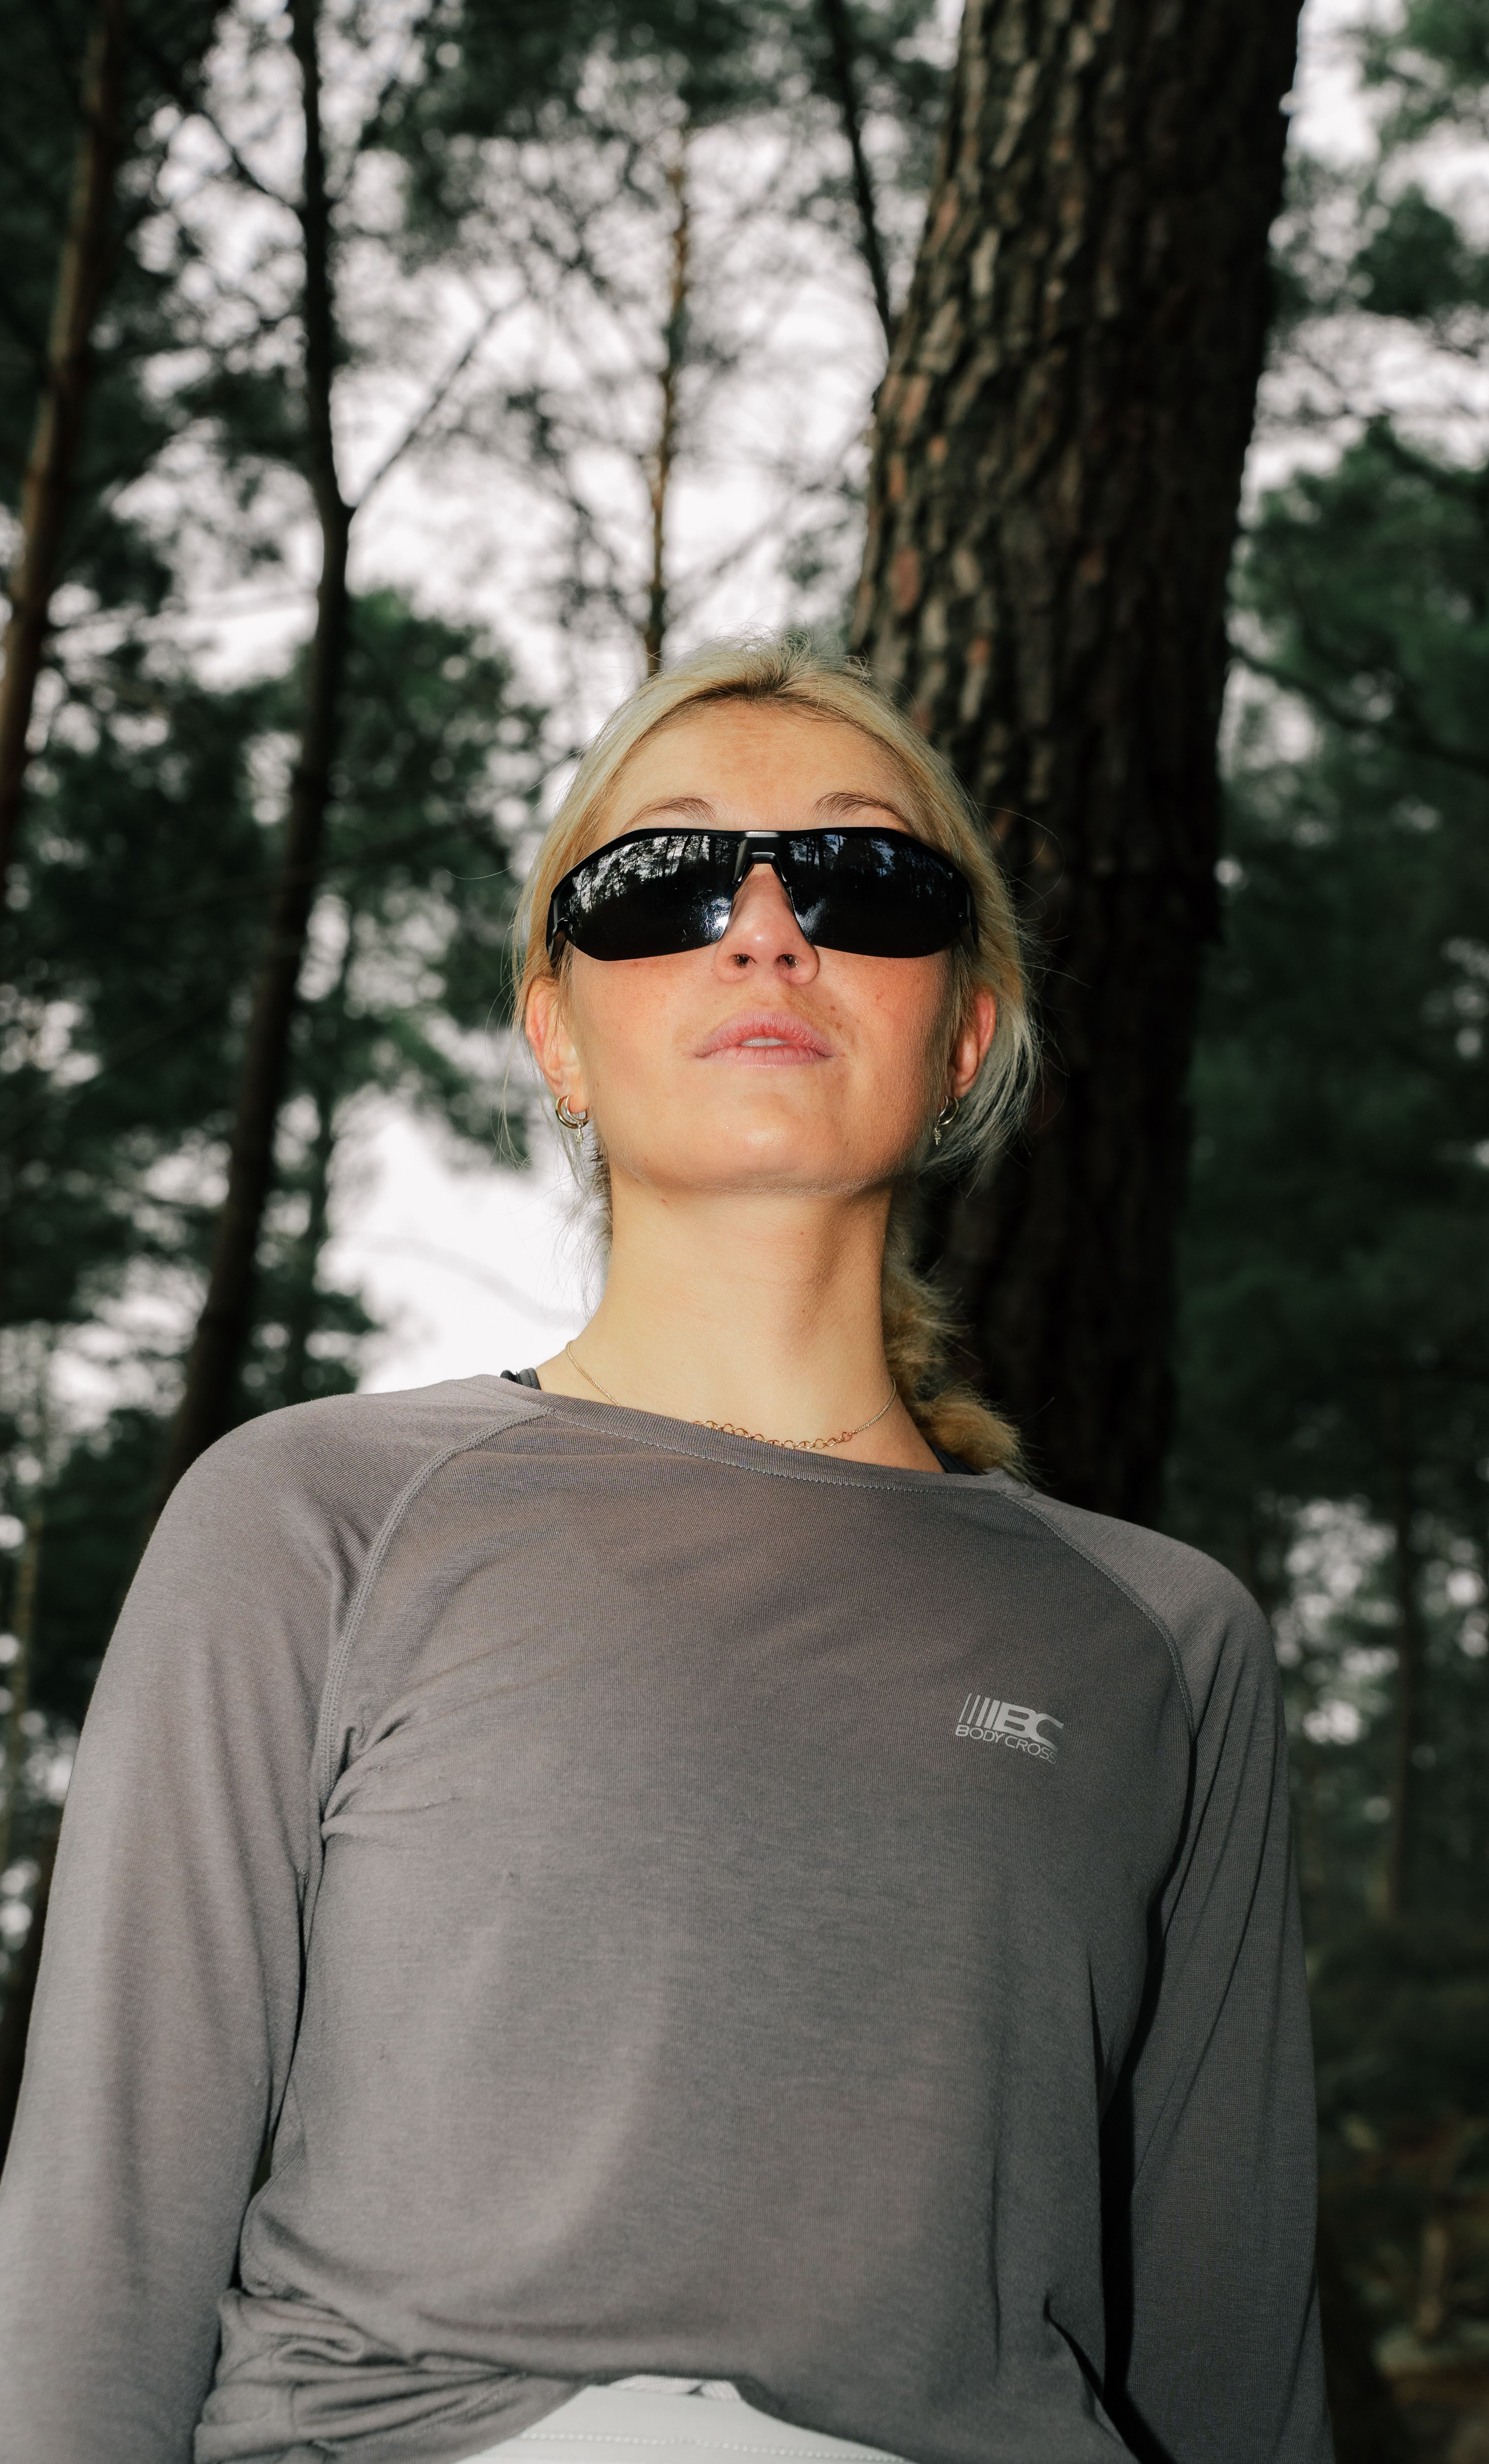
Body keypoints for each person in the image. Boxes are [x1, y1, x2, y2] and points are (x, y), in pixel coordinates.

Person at [0, 637, 1331, 2464]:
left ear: (965, 1032)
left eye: (864, 879)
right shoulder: (310, 1519)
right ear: (557, 1030)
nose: (767, 930)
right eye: (664, 881)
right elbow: (95, 2258)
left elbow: (1232, 2370)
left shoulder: (1165, 1643)